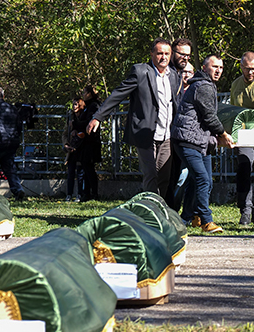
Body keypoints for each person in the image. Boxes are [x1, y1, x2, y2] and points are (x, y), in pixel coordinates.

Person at [87, 38, 179, 195]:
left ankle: (160, 209)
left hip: (167, 134)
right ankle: (149, 212)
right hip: (145, 132)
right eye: (159, 53)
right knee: (151, 174)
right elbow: (118, 94)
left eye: (166, 54)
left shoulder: (174, 76)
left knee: (164, 176)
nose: (163, 57)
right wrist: (98, 116)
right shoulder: (141, 72)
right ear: (151, 54)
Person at [171, 54, 233, 233]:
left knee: (200, 179)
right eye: (215, 67)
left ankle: (191, 216)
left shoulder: (206, 85)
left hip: (200, 141)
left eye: (221, 68)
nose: (218, 71)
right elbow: (209, 116)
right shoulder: (204, 86)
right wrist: (223, 134)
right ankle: (206, 220)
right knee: (202, 178)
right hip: (187, 140)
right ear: (205, 68)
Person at [230, 51, 254, 227]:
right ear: (241, 67)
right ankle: (245, 210)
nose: (250, 73)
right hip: (243, 135)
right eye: (247, 69)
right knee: (244, 168)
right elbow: (234, 112)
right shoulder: (236, 85)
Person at [167, 61, 196, 211]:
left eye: (189, 72)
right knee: (176, 179)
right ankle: (173, 208)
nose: (186, 75)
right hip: (173, 139)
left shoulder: (197, 91)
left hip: (191, 141)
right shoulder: (174, 90)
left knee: (187, 177)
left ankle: (190, 212)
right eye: (183, 72)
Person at [75, 85, 102, 201]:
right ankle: (87, 193)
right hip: (85, 141)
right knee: (86, 167)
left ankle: (94, 193)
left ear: (90, 94)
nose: (83, 95)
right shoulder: (88, 106)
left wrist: (76, 125)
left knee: (89, 167)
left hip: (91, 141)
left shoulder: (94, 106)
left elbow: (89, 122)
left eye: (84, 92)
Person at [62, 97, 85, 202]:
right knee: (70, 172)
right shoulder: (70, 118)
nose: (74, 106)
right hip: (71, 148)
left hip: (80, 148)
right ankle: (69, 194)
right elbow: (65, 133)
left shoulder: (84, 117)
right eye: (73, 104)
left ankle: (80, 194)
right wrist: (66, 144)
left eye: (76, 104)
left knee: (80, 172)